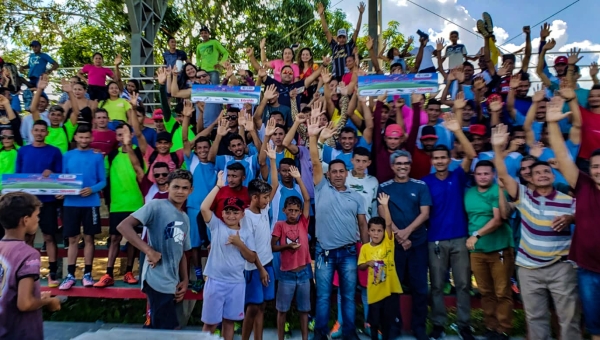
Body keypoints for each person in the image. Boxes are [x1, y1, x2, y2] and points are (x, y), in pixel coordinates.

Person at [492, 123, 580, 340]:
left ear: (553, 176)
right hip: (528, 270)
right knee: (535, 319)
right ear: (529, 178)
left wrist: (571, 218)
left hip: (561, 268)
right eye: (537, 172)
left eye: (546, 171)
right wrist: (497, 148)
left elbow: (586, 216)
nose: (542, 175)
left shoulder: (568, 200)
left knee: (569, 319)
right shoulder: (523, 196)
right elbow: (502, 174)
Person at [307, 114, 368, 340]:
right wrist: (314, 138)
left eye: (342, 171)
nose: (339, 174)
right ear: (329, 175)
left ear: (347, 173)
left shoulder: (356, 197)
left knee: (349, 296)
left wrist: (366, 250)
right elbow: (315, 161)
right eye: (334, 172)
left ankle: (350, 334)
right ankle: (320, 334)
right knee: (323, 296)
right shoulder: (321, 188)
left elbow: (363, 224)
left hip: (350, 252)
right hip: (324, 253)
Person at [546, 96, 600, 340]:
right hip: (588, 270)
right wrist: (553, 125)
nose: (598, 170)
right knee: (594, 327)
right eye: (595, 166)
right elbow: (563, 156)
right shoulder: (584, 185)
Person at [421, 112, 477, 340]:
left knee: (463, 285)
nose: (441, 161)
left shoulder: (458, 176)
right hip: (435, 239)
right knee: (436, 286)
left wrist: (457, 131)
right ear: (433, 161)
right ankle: (438, 325)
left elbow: (471, 154)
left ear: (448, 158)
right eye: (437, 158)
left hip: (460, 239)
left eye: (444, 157)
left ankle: (464, 325)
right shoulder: (426, 182)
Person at [116, 169, 193, 329]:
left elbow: (182, 252)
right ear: (167, 187)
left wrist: (185, 280)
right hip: (156, 279)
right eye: (176, 187)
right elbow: (123, 226)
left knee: (158, 329)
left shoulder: (185, 217)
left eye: (185, 188)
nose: (180, 191)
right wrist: (149, 251)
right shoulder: (156, 206)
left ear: (191, 190)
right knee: (167, 329)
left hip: (173, 282)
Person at [377, 150, 431, 340]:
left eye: (406, 163)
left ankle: (419, 328)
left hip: (417, 244)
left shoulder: (420, 186)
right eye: (398, 163)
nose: (402, 166)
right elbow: (382, 213)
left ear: (410, 165)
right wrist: (400, 236)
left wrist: (406, 233)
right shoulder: (384, 187)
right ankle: (393, 326)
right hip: (394, 246)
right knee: (392, 288)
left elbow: (424, 213)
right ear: (392, 166)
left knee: (420, 288)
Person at [200, 171, 257, 340]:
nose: (231, 216)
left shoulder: (246, 232)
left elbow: (252, 258)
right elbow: (204, 208)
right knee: (210, 324)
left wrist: (240, 244)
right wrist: (218, 186)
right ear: (222, 213)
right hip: (215, 281)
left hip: (236, 283)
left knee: (229, 322)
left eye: (235, 212)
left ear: (242, 214)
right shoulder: (217, 226)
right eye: (228, 211)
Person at [0, 192, 61, 339]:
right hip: (20, 332)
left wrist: (36, 296)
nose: (38, 220)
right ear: (25, 220)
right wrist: (48, 301)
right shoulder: (28, 254)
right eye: (37, 215)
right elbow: (25, 304)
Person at [465, 160, 515, 340]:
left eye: (486, 173)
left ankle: (504, 329)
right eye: (479, 174)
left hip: (499, 247)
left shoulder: (497, 191)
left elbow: (498, 219)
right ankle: (491, 327)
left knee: (502, 292)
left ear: (493, 175)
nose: (483, 176)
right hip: (477, 251)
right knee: (485, 292)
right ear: (474, 176)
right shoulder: (469, 193)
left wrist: (476, 235)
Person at [94, 124, 144, 288]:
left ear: (131, 134)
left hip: (136, 202)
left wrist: (128, 145)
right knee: (114, 238)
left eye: (125, 134)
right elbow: (104, 176)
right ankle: (108, 273)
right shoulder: (112, 154)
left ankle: (129, 272)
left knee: (132, 239)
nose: (122, 137)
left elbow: (140, 171)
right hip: (117, 203)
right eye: (119, 134)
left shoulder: (138, 151)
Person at [58, 125, 106, 290]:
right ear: (76, 137)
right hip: (70, 203)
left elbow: (103, 181)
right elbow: (62, 179)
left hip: (91, 203)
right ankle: (70, 274)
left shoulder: (97, 156)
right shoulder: (67, 156)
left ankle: (87, 274)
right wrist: (61, 191)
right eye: (81, 137)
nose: (84, 140)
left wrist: (92, 189)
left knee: (89, 239)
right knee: (72, 239)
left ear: (91, 138)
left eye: (87, 137)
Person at [15, 120, 63, 287]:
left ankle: (52, 273)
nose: (40, 133)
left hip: (47, 202)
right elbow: (17, 177)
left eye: (43, 130)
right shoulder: (22, 151)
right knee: (28, 237)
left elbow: (60, 176)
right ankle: (29, 271)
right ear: (32, 132)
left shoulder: (55, 152)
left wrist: (53, 173)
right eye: (37, 130)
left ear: (47, 133)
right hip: (27, 202)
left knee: (50, 237)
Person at [240, 147, 279, 340]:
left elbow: (275, 184)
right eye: (264, 197)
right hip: (255, 268)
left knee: (262, 305)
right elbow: (250, 251)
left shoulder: (263, 209)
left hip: (267, 263)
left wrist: (272, 160)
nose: (267, 201)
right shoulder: (246, 217)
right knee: (253, 306)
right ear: (254, 197)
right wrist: (261, 269)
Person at [271, 166, 312, 340]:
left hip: (303, 274)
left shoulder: (303, 222)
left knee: (304, 310)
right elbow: (273, 247)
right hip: (286, 274)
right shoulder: (280, 225)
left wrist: (299, 178)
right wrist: (287, 247)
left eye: (296, 210)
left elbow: (308, 199)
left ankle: (304, 337)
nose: (293, 214)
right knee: (282, 310)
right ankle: (280, 337)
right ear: (284, 211)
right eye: (290, 210)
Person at [181, 104, 217, 293]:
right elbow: (185, 140)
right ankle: (197, 274)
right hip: (194, 208)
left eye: (206, 147)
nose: (203, 150)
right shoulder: (191, 161)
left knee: (212, 243)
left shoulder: (215, 163)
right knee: (194, 244)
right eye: (200, 147)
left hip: (211, 211)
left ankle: (210, 274)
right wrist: (187, 118)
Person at [358, 193, 402, 340]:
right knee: (374, 322)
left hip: (390, 290)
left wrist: (384, 205)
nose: (376, 234)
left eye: (379, 231)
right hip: (374, 291)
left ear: (384, 232)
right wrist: (368, 263)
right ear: (368, 232)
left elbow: (388, 224)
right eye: (373, 231)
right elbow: (361, 266)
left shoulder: (388, 243)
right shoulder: (365, 248)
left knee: (388, 321)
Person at [316, 2, 365, 79]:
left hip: (348, 76)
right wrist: (321, 15)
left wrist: (361, 14)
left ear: (346, 38)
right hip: (336, 77)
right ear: (337, 38)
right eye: (340, 37)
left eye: (343, 37)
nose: (342, 39)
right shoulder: (334, 46)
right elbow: (326, 31)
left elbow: (357, 30)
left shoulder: (350, 45)